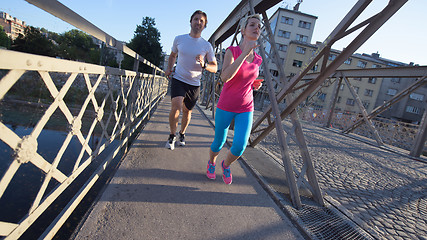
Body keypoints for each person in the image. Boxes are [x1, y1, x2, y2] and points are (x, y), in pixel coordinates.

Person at [206, 14, 263, 184]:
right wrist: (244, 54)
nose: (257, 28)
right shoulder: (232, 51)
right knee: (219, 142)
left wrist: (254, 85)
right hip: (226, 105)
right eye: (252, 24)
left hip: (246, 107)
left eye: (259, 26)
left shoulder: (258, 59)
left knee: (239, 146)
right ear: (243, 30)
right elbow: (225, 77)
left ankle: (226, 164)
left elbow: (247, 78)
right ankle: (211, 162)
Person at [165, 10, 218, 150]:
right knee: (176, 107)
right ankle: (172, 136)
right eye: (196, 19)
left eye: (201, 21)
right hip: (179, 78)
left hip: (194, 83)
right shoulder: (179, 39)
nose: (198, 22)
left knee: (187, 111)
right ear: (191, 21)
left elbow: (215, 68)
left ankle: (182, 133)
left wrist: (204, 65)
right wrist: (169, 69)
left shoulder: (207, 46)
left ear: (205, 25)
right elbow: (172, 56)